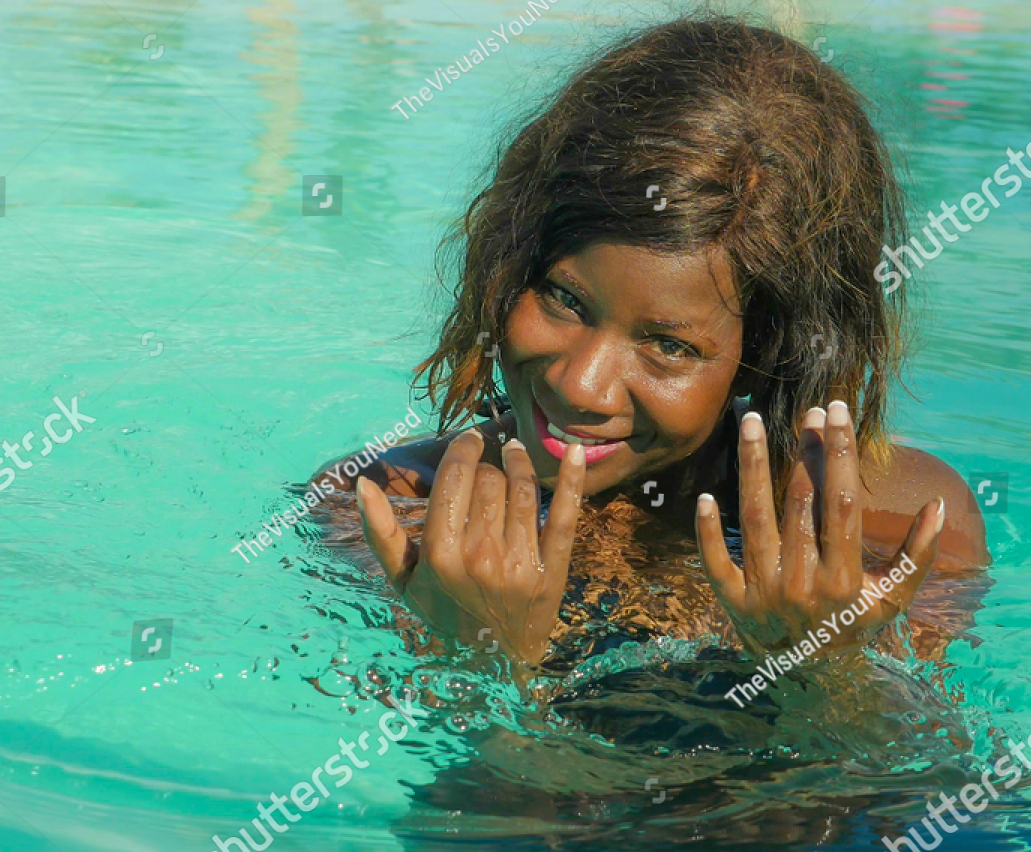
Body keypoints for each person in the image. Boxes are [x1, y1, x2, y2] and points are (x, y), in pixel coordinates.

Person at [320, 16, 990, 678]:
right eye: (565, 299)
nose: (581, 385)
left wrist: (823, 671)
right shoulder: (387, 507)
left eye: (668, 345)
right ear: (512, 261)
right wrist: (486, 657)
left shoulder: (900, 528)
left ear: (770, 354)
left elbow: (926, 781)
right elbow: (433, 770)